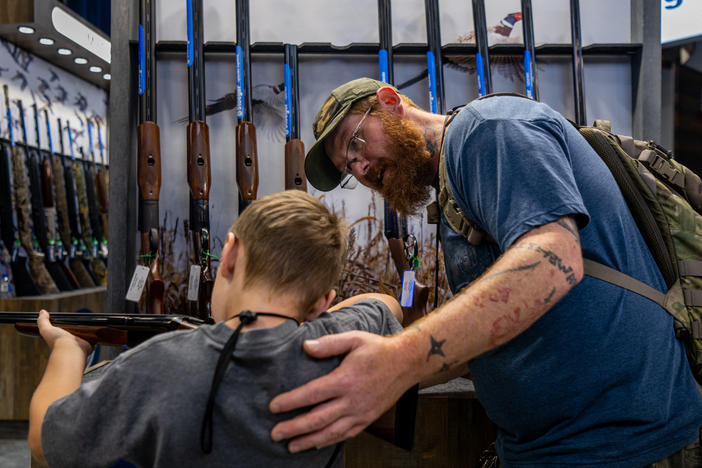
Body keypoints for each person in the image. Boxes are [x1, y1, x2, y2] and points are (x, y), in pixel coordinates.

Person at [268, 78, 702, 466]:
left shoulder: (488, 129)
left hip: (622, 446)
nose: (360, 168)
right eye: (348, 168)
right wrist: (357, 365)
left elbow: (554, 256)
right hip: (555, 448)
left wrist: (397, 361)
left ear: (390, 102)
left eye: (355, 142)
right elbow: (493, 329)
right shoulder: (454, 184)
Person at [27, 190, 403, 468]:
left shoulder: (160, 362)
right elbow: (385, 305)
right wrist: (317, 323)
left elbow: (46, 444)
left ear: (229, 254)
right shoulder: (335, 348)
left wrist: (68, 347)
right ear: (323, 301)